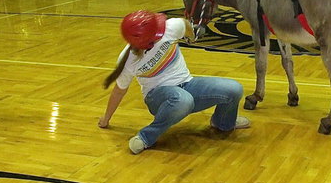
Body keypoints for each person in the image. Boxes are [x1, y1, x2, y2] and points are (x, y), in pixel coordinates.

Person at [99, 11, 250, 154]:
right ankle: (146, 137)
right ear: (146, 42)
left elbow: (185, 25)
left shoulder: (171, 27)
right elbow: (119, 90)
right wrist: (106, 119)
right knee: (183, 100)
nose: (161, 31)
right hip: (157, 97)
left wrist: (190, 36)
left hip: (188, 84)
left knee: (234, 89)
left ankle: (223, 122)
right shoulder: (128, 60)